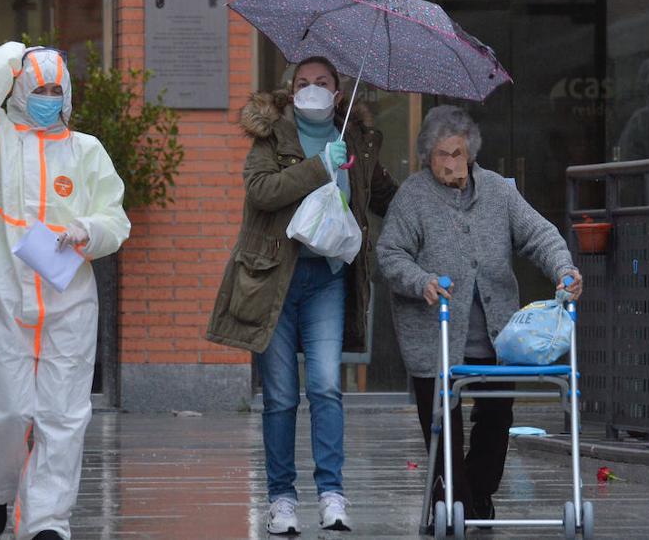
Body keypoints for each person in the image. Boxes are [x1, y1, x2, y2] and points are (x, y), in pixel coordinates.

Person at [206, 56, 397, 535]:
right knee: (281, 395)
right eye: (304, 82)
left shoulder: (356, 141)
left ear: (338, 93)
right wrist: (319, 167)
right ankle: (282, 499)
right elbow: (261, 191)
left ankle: (332, 494)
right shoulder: (272, 137)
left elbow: (386, 197)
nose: (312, 89)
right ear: (292, 92)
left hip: (327, 280)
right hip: (274, 280)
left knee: (327, 386)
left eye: (322, 82)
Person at [0, 42, 131, 540]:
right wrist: (20, 52)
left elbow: (115, 218)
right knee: (1, 410)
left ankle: (46, 521)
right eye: (39, 89)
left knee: (63, 415)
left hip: (68, 298)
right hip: (3, 294)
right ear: (19, 90)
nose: (49, 98)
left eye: (57, 89)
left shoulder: (86, 150)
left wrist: (87, 231)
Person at [376, 105, 583, 523]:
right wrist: (421, 281)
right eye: (441, 154)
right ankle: (458, 507)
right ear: (427, 157)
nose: (450, 163)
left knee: (497, 419)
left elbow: (539, 234)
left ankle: (476, 494)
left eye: (457, 153)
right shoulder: (413, 197)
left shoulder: (498, 192)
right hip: (434, 339)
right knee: (444, 431)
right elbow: (390, 254)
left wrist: (564, 269)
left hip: (497, 337)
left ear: (470, 152)